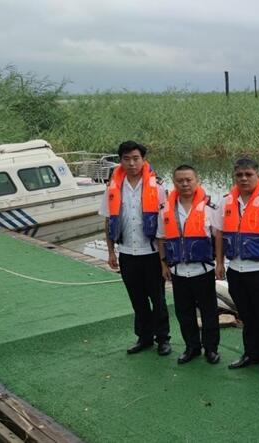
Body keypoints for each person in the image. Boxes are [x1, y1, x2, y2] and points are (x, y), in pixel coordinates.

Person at [214, 157, 259, 378]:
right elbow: (219, 233)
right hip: (236, 269)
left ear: (258, 175)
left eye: (248, 174)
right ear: (234, 176)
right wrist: (219, 263)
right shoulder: (226, 201)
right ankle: (251, 353)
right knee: (245, 314)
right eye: (239, 175)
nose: (244, 179)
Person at [99, 140, 171, 356]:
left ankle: (163, 339)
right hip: (127, 253)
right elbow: (107, 220)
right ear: (120, 160)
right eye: (127, 159)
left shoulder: (158, 187)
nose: (131, 163)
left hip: (151, 253)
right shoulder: (113, 187)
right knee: (137, 299)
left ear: (143, 159)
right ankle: (144, 337)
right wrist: (111, 252)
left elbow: (166, 224)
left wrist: (165, 260)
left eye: (136, 158)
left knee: (158, 299)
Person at [157, 165, 221, 365]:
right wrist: (164, 265)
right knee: (184, 312)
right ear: (174, 183)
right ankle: (192, 347)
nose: (185, 184)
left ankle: (211, 348)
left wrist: (220, 263)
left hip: (203, 269)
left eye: (188, 180)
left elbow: (219, 237)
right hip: (178, 270)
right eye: (180, 181)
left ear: (197, 180)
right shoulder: (165, 209)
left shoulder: (210, 208)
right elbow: (161, 239)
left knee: (209, 312)